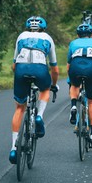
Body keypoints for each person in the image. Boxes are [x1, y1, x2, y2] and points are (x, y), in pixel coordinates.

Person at [9, 16, 59, 164]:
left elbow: (14, 65)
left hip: (21, 70)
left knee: (19, 108)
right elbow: (55, 69)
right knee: (45, 90)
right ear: (43, 27)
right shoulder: (48, 38)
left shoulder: (21, 36)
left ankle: (13, 148)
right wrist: (53, 85)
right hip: (40, 69)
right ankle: (39, 117)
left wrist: (21, 77)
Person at [67, 23, 92, 148]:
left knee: (74, 85)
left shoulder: (73, 43)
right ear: (91, 34)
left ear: (78, 35)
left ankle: (73, 106)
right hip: (91, 69)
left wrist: (72, 78)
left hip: (75, 67)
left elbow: (68, 66)